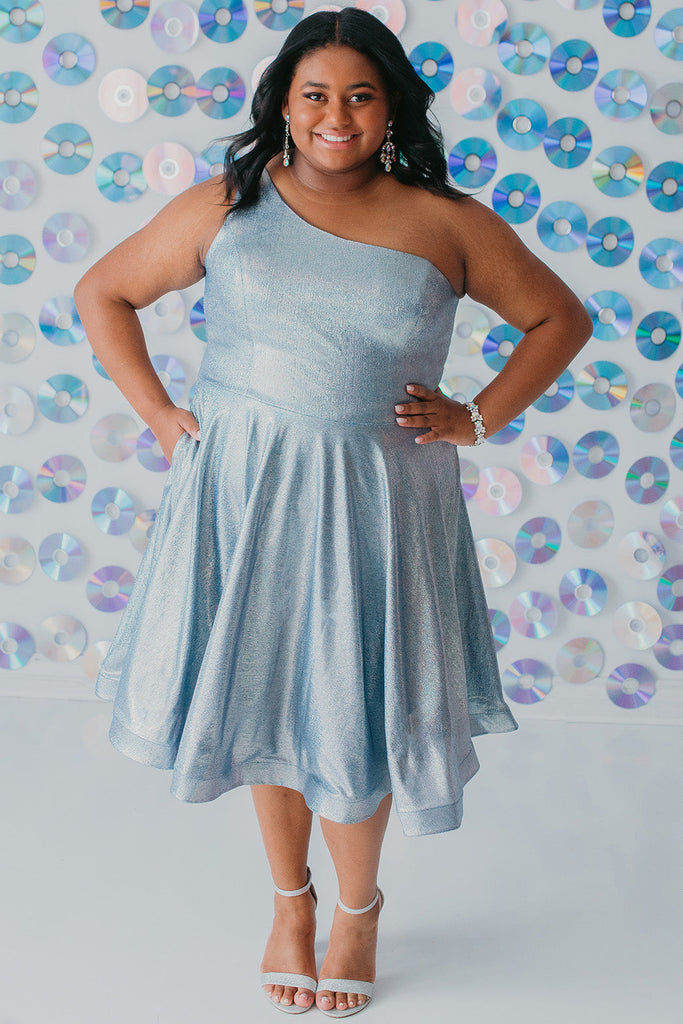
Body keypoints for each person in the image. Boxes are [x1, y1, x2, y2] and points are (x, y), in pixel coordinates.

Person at [74, 7, 593, 1018]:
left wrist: (476, 416)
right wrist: (161, 415)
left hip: (376, 505)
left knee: (354, 703)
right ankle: (290, 900)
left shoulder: (445, 222)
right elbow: (104, 292)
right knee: (264, 694)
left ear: (391, 108)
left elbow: (557, 318)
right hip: (246, 497)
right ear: (283, 102)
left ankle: (357, 907)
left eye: (360, 95)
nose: (335, 116)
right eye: (314, 94)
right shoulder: (227, 205)